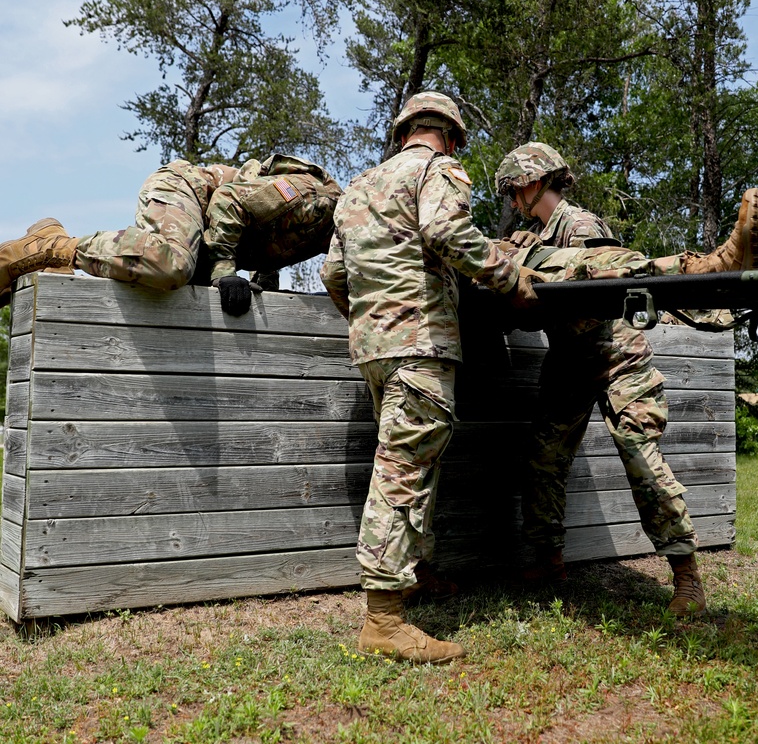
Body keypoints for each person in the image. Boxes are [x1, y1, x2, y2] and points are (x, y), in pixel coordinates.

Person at [493, 142, 758, 617]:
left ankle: (687, 579)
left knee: (639, 456)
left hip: (614, 351)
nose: (511, 203)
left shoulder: (579, 225)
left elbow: (594, 286)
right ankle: (548, 561)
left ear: (530, 182)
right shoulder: (537, 234)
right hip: (570, 356)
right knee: (544, 461)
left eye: (512, 192)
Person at [321, 91, 540, 665]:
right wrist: (506, 276)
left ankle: (413, 576)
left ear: (402, 132)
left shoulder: (357, 189)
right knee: (403, 471)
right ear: (451, 135)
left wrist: (372, 320)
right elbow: (446, 233)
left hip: (374, 349)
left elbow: (333, 273)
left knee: (409, 463)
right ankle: (384, 621)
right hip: (421, 344)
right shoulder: (438, 170)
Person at [0, 154, 343, 315]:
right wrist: (225, 271)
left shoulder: (334, 236)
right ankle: (52, 247)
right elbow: (229, 199)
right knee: (172, 265)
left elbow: (271, 241)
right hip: (189, 189)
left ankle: (56, 243)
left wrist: (263, 292)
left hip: (208, 226)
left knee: (187, 290)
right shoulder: (320, 201)